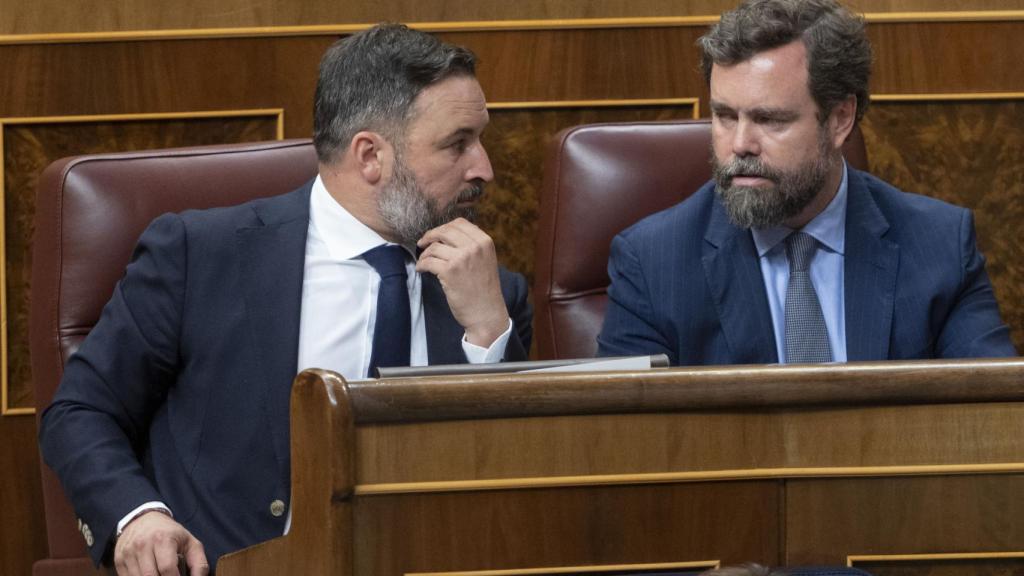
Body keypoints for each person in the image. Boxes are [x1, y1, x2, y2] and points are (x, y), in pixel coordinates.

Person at [39, 24, 532, 576]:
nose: (484, 167)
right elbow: (81, 411)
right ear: (370, 155)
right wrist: (138, 516)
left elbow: (509, 490)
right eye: (457, 143)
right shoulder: (202, 255)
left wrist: (490, 334)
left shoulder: (493, 294)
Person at [597, 0, 1016, 365]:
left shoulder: (939, 247)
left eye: (769, 119)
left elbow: (992, 419)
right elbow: (626, 444)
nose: (740, 144)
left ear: (839, 119)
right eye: (725, 116)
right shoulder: (652, 264)